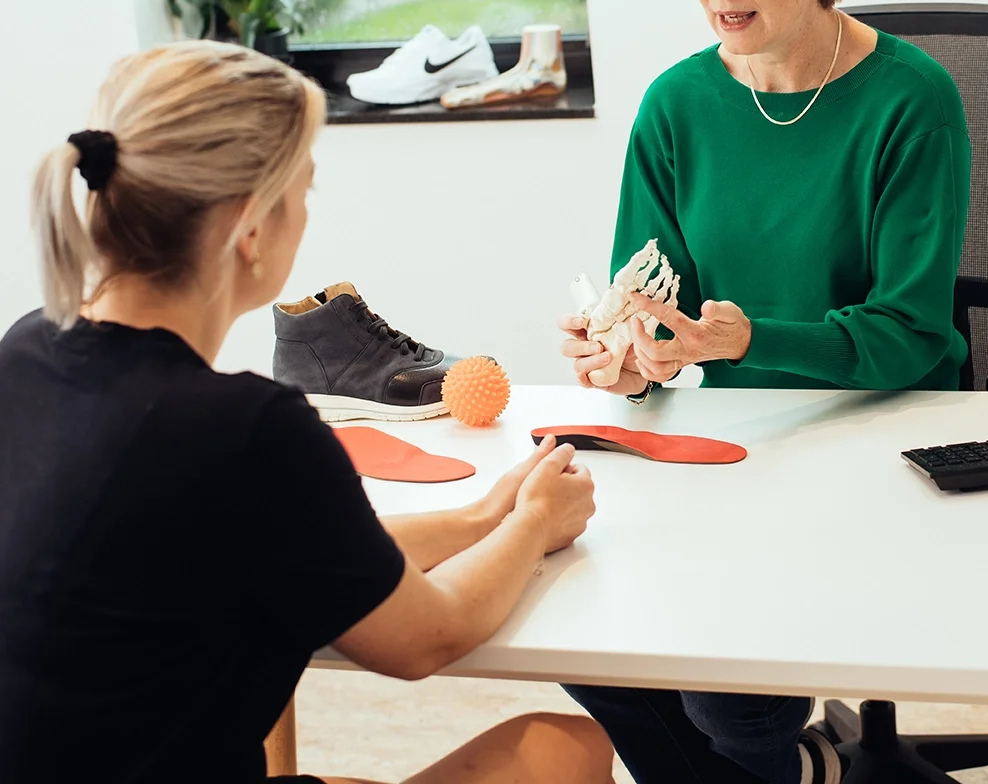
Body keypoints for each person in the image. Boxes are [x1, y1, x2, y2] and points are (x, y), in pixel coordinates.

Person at [0, 41, 614, 784]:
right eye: (303, 191)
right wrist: (534, 523)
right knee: (564, 748)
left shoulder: (25, 350)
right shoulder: (246, 428)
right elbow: (429, 635)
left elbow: (297, 545)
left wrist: (483, 516)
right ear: (251, 228)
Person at [558, 0, 972, 784]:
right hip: (728, 440)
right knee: (577, 620)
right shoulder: (675, 105)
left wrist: (746, 341)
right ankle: (797, 771)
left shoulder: (912, 100)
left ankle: (781, 763)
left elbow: (912, 333)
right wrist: (626, 357)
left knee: (725, 690)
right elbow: (650, 306)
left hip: (881, 432)